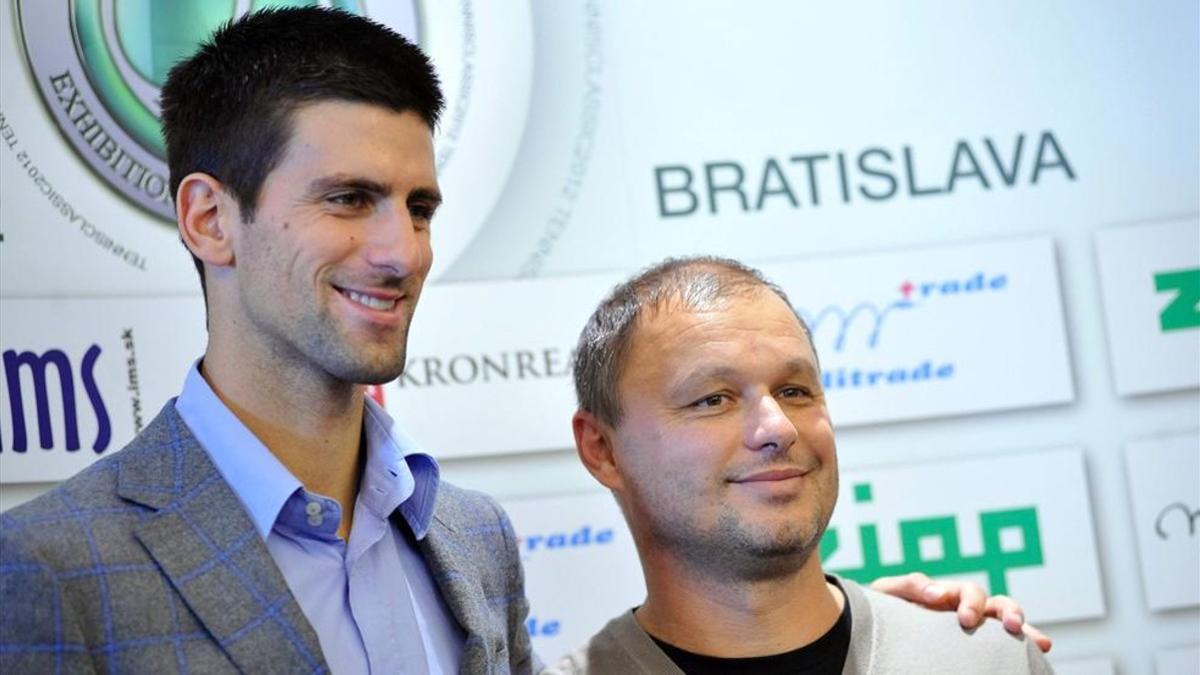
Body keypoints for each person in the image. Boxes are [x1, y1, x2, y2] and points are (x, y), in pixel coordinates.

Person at [0, 8, 1038, 675]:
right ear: (208, 218)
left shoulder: (470, 542)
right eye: (349, 200)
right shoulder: (55, 567)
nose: (401, 251)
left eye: (419, 205)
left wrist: (871, 639)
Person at [557, 257, 1055, 674]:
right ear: (602, 449)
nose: (777, 428)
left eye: (794, 391)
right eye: (713, 400)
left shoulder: (987, 660)